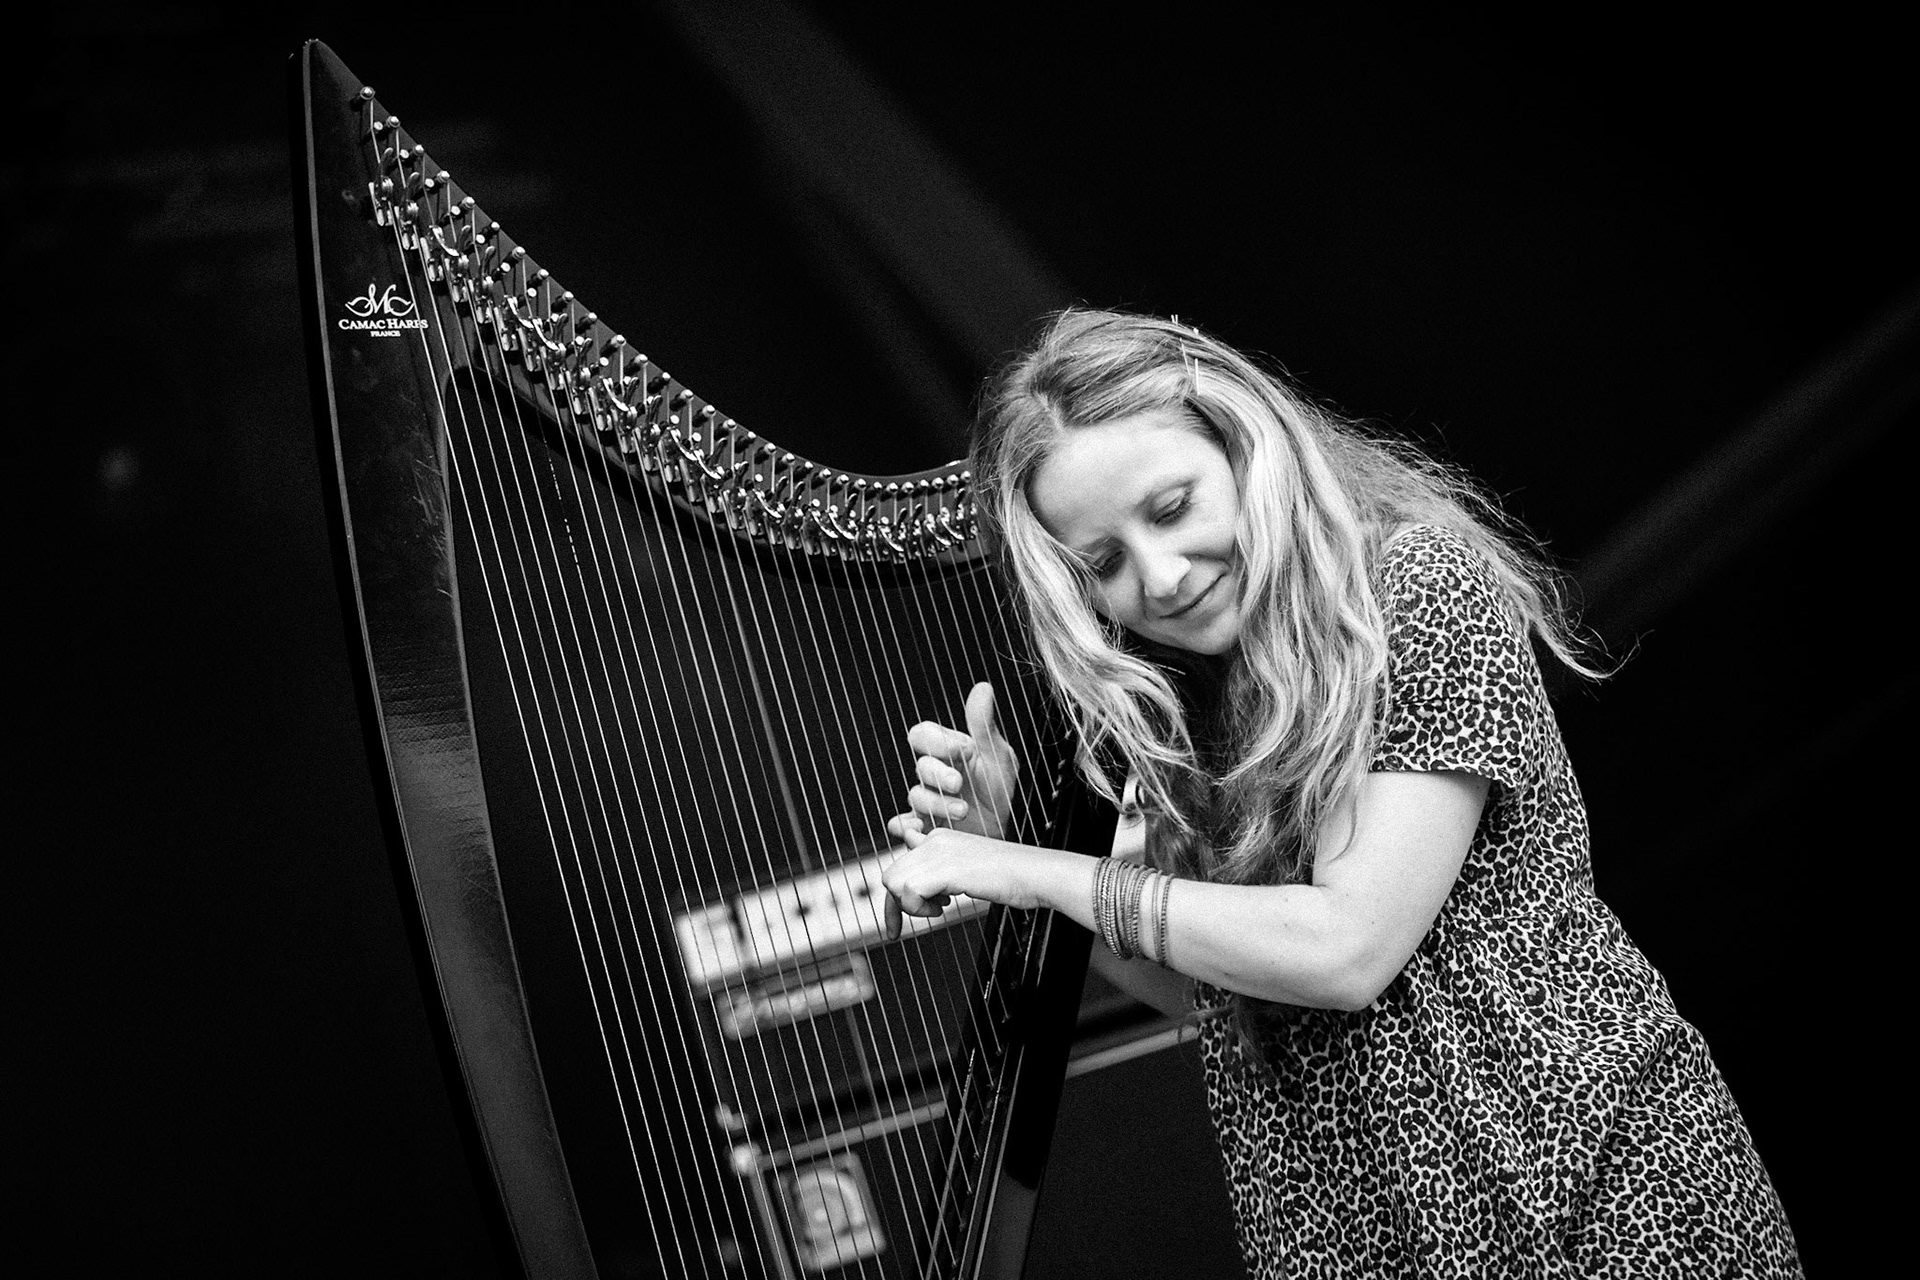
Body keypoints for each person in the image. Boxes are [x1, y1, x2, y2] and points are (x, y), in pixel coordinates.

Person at [880, 310, 1801, 1277]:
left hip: (1584, 1201)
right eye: (1102, 562)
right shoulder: (1184, 701)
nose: (1159, 574)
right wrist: (1022, 870)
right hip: (1351, 1233)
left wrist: (1037, 870)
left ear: (1243, 442)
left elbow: (1345, 950)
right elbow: (1217, 990)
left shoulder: (1411, 592)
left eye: (1171, 507)